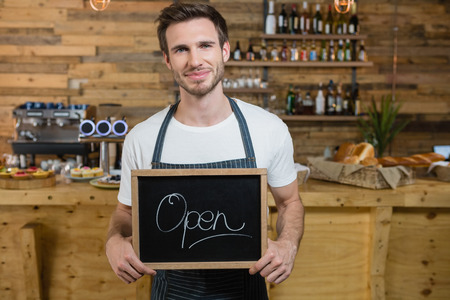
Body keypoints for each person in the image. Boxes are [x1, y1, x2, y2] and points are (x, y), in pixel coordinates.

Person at [105, 2, 304, 299]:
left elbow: (290, 203)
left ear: (224, 51)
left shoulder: (268, 129)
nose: (195, 60)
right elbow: (125, 211)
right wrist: (114, 240)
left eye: (205, 45)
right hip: (170, 291)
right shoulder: (142, 138)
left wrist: (288, 244)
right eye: (181, 49)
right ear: (167, 59)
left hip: (246, 289)